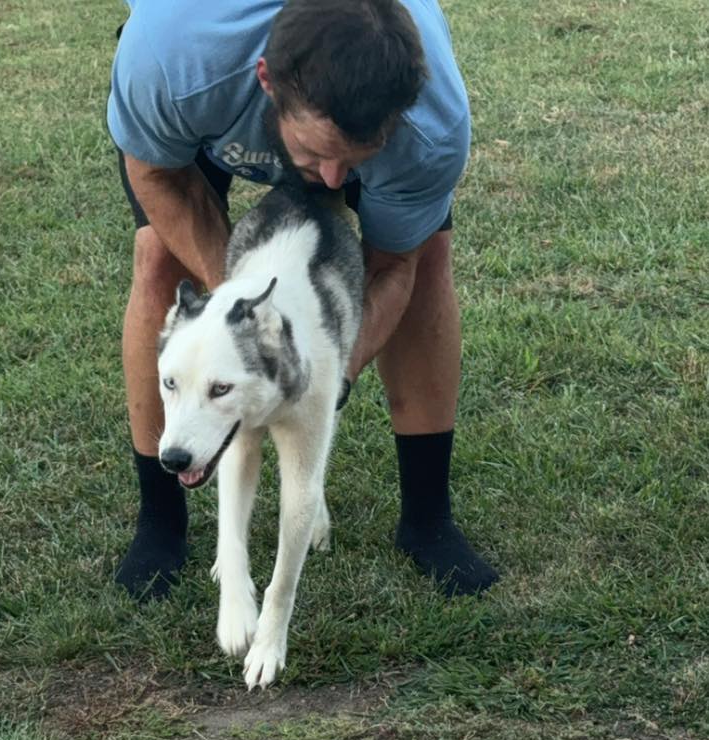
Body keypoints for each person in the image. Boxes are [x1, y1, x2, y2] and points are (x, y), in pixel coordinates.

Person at [107, 0, 499, 600]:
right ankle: (160, 522)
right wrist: (236, 310)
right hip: (209, 88)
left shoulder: (430, 127)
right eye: (319, 152)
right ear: (267, 80)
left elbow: (394, 263)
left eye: (357, 158)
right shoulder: (175, 55)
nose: (336, 181)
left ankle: (428, 520)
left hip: (357, 115)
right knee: (160, 259)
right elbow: (156, 175)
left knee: (428, 262)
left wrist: (326, 374)